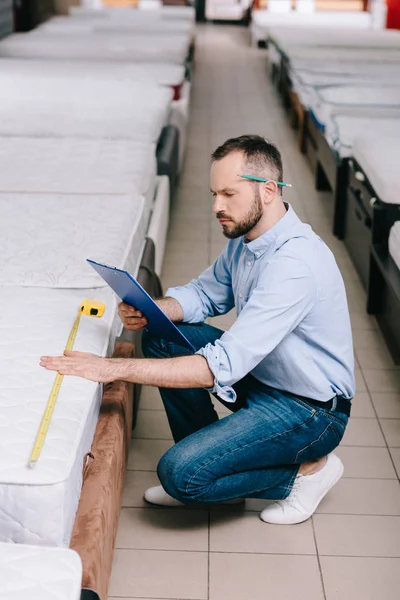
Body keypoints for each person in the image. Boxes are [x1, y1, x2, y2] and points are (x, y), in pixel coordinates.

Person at [40, 135, 355, 525]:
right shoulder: (249, 237)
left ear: (269, 191)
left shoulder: (295, 265)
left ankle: (307, 475)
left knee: (180, 476)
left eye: (228, 194)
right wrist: (155, 308)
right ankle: (215, 467)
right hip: (265, 378)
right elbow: (204, 295)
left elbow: (216, 367)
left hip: (309, 411)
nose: (216, 207)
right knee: (161, 334)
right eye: (213, 194)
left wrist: (110, 368)